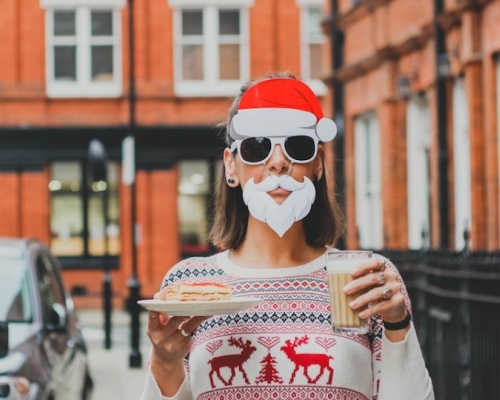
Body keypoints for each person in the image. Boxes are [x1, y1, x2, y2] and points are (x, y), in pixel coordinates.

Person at [140, 74, 434, 400]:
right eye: (256, 148)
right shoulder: (192, 283)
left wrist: (397, 324)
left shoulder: (365, 279)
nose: (278, 163)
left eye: (297, 146)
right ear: (231, 167)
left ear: (318, 164)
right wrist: (165, 363)